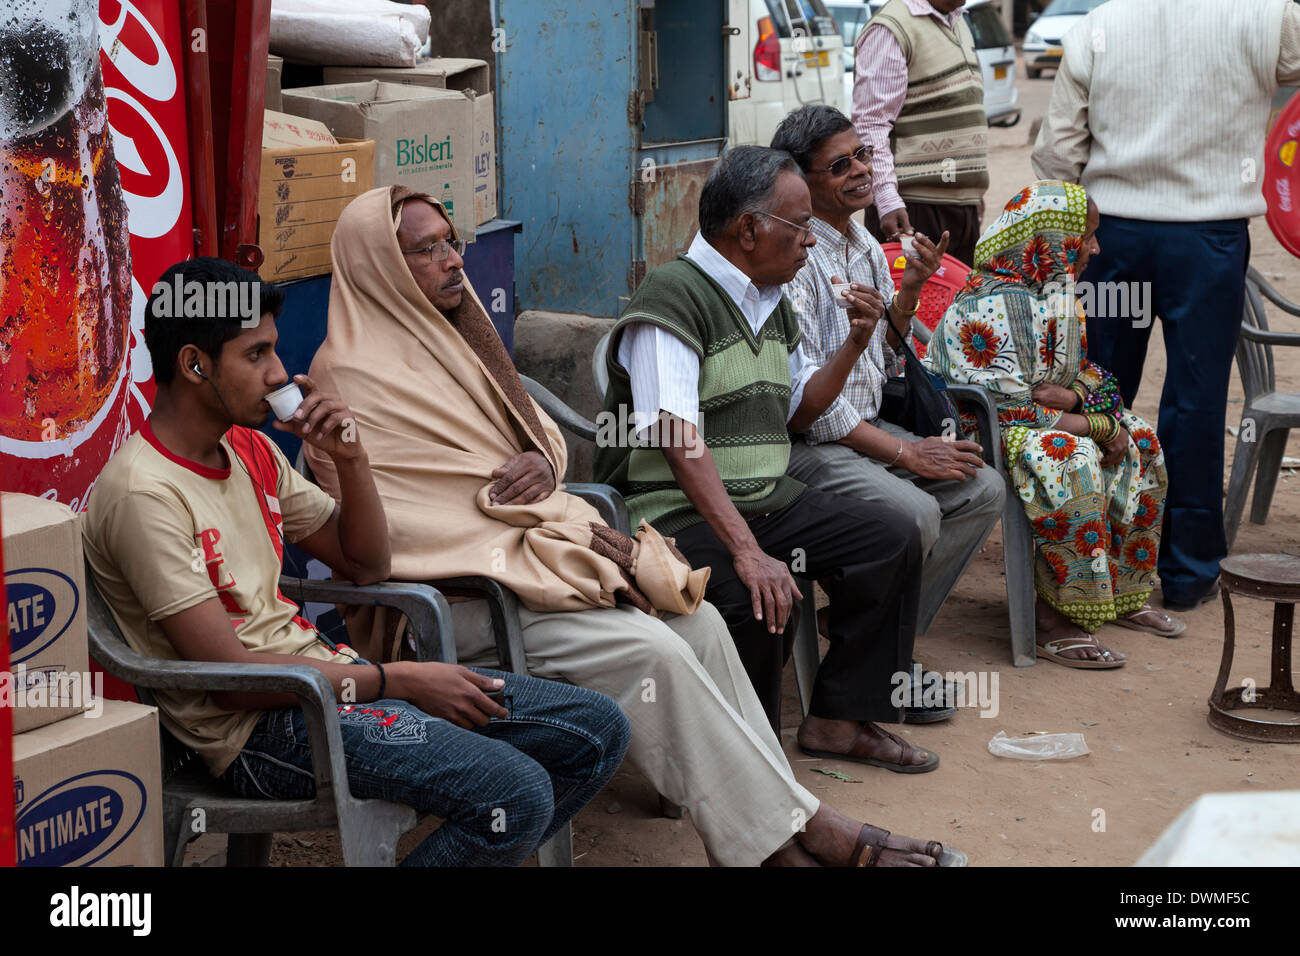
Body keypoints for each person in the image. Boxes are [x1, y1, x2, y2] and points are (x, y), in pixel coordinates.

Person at [305, 184, 965, 867]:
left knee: (701, 624)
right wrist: (524, 512)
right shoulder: (347, 379)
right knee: (656, 653)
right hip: (463, 602)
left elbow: (537, 445)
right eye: (428, 249)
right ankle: (794, 838)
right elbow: (410, 525)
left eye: (453, 242)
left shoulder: (454, 338)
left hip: (538, 566)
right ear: (380, 265)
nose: (453, 261)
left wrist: (537, 460)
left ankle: (783, 830)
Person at [82, 256, 632, 867]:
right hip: (263, 734)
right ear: (193, 364)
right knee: (518, 793)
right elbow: (233, 682)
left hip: (334, 688)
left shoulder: (249, 449)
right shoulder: (145, 493)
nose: (278, 373)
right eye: (256, 354)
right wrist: (398, 682)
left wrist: (350, 458)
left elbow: (365, 565)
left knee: (596, 729)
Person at [595, 145, 954, 776]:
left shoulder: (771, 299)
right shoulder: (675, 296)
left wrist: (855, 342)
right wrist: (745, 547)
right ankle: (746, 761)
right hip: (672, 513)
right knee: (754, 590)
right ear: (749, 229)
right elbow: (679, 437)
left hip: (765, 498)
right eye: (799, 227)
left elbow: (801, 410)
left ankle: (839, 719)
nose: (810, 243)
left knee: (890, 535)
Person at [1031, 0, 1300, 611]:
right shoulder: (1266, 18)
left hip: (1114, 240)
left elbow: (1056, 151)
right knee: (1197, 399)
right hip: (1208, 240)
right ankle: (1186, 571)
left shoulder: (1097, 25)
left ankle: (1097, 561)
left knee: (1102, 394)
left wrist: (1084, 222)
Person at [772, 104, 1004, 663]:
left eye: (863, 155)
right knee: (916, 512)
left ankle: (868, 621)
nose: (860, 171)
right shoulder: (793, 258)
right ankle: (873, 648)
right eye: (839, 165)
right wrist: (906, 452)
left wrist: (910, 291)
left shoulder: (868, 245)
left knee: (982, 490)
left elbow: (883, 349)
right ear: (801, 181)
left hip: (867, 424)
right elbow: (807, 410)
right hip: (813, 443)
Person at [924, 181, 1184, 669]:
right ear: (1049, 238)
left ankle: (1123, 593)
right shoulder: (990, 304)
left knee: (1144, 439)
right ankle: (1055, 618)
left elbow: (1091, 376)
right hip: (982, 430)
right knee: (1069, 455)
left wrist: (1083, 399)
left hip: (1035, 416)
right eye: (1086, 236)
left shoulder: (1055, 290)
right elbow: (1010, 410)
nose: (1095, 248)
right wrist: (1100, 427)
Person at [853, 0, 988, 266]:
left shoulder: (958, 22)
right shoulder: (892, 27)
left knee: (957, 302)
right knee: (914, 303)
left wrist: (973, 194)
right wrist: (888, 200)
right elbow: (870, 124)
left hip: (960, 207)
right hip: (913, 208)